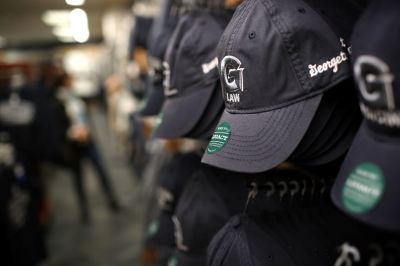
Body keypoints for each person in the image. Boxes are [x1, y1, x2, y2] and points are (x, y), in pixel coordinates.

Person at [56, 72, 120, 224]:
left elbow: (84, 115)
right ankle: (84, 210)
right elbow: (59, 125)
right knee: (78, 178)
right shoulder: (59, 100)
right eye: (70, 79)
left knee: (101, 170)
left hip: (88, 141)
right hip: (74, 145)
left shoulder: (74, 96)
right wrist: (73, 134)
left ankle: (111, 199)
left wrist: (87, 130)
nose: (73, 81)